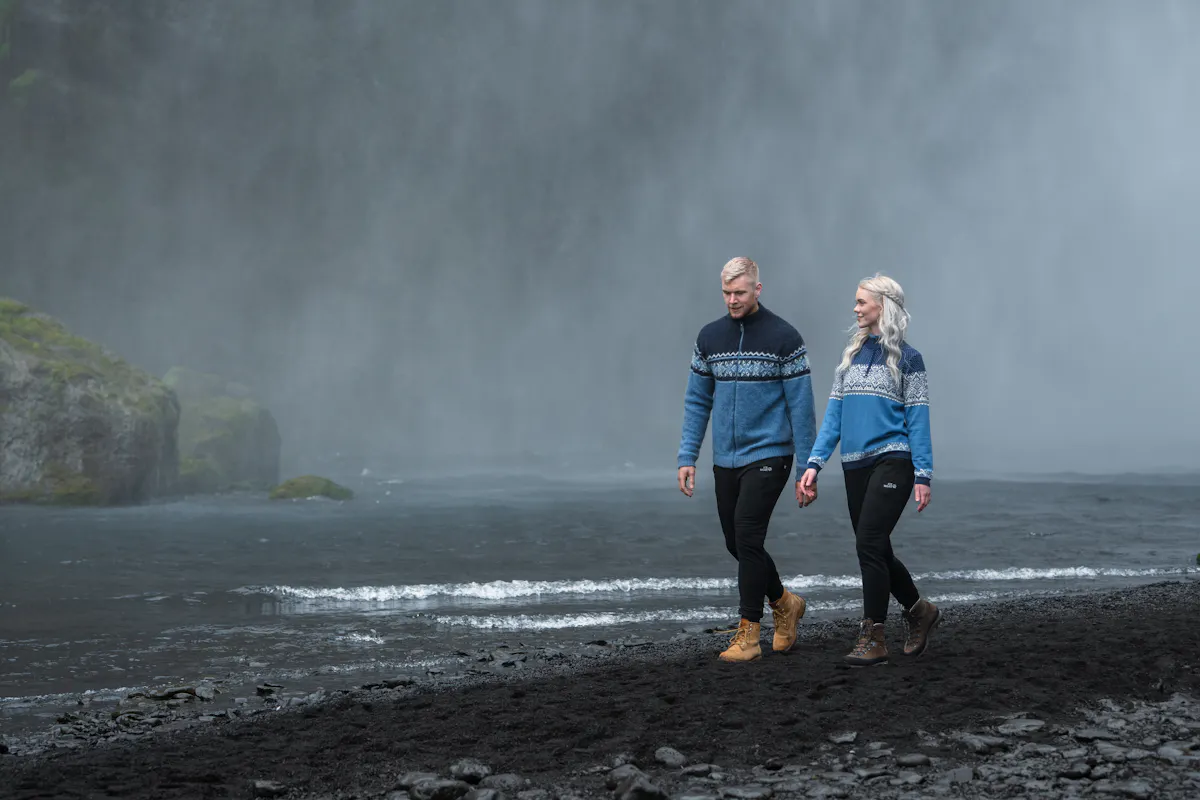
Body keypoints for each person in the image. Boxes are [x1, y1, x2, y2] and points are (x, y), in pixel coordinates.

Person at [677, 256, 817, 663]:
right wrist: (688, 456)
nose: (732, 300)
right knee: (735, 542)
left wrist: (808, 468)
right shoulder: (710, 337)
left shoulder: (784, 337)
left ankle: (749, 634)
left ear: (758, 289)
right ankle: (785, 602)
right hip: (726, 457)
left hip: (771, 452)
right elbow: (697, 401)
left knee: (748, 536)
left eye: (739, 292)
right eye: (726, 293)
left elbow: (801, 408)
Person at [798, 273, 941, 666]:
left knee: (869, 543)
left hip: (894, 460)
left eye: (862, 302)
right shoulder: (850, 358)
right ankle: (919, 611)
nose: (855, 308)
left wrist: (923, 474)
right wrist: (814, 464)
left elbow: (918, 420)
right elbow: (834, 418)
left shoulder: (909, 359)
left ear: (883, 306)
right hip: (854, 465)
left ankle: (873, 636)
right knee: (875, 547)